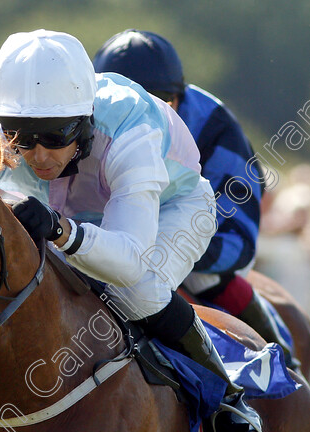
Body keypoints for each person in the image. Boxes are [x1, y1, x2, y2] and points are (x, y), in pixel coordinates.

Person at [0, 29, 261, 432]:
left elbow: (130, 261)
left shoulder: (131, 125)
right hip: (83, 209)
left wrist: (61, 232)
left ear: (84, 122)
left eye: (55, 135)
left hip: (176, 206)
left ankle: (227, 397)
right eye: (22, 135)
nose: (38, 155)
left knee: (132, 290)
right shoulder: (0, 132)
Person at [92, 30, 293, 363]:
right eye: (126, 102)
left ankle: (283, 366)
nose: (141, 117)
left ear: (179, 99)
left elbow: (237, 241)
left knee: (203, 275)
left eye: (159, 102)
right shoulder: (82, 120)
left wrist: (159, 247)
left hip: (196, 244)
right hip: (112, 237)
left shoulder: (216, 127)